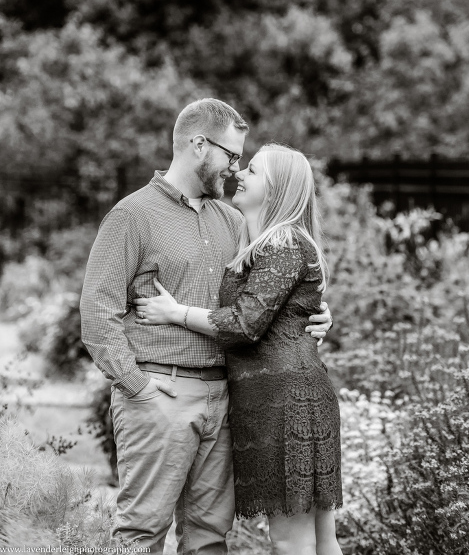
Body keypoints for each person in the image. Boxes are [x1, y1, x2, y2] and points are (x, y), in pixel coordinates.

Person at [80, 99, 332, 555]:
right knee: (141, 533)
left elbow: (273, 293)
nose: (236, 169)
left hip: (227, 398)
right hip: (161, 393)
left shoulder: (234, 221)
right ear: (199, 145)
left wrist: (315, 314)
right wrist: (140, 390)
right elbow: (97, 315)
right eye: (231, 156)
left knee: (210, 539)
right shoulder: (132, 215)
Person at [134, 143, 343, 555]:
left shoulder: (281, 243)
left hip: (286, 405)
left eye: (253, 170)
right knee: (320, 538)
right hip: (287, 398)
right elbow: (284, 308)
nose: (240, 173)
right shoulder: (260, 242)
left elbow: (247, 322)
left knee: (289, 540)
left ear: (277, 189)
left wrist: (176, 312)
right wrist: (315, 313)